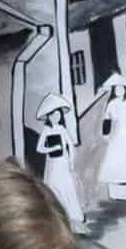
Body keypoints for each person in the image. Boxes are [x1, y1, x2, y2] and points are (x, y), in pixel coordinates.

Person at [36, 94, 87, 232]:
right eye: (53, 115)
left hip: (64, 163)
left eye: (58, 114)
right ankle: (58, 218)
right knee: (55, 186)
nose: (56, 117)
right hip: (53, 164)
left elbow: (71, 146)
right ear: (48, 116)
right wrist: (52, 148)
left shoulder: (62, 129)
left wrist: (71, 161)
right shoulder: (47, 130)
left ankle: (74, 217)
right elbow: (39, 148)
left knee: (68, 187)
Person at [98, 74, 126, 201]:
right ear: (114, 91)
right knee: (114, 161)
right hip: (114, 137)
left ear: (125, 90)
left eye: (122, 89)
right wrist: (106, 134)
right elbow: (106, 119)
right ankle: (114, 193)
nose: (119, 91)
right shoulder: (111, 104)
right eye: (117, 89)